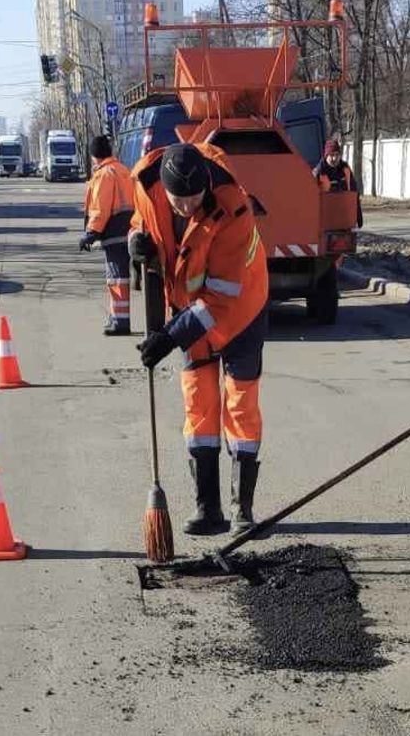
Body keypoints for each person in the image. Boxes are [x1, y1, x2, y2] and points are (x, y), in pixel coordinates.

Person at [128, 143, 269, 536]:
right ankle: (208, 508)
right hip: (190, 313)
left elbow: (221, 300)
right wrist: (136, 240)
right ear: (164, 190)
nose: (187, 207)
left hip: (241, 313)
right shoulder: (147, 187)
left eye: (194, 199)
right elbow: (141, 221)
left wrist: (170, 337)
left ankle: (242, 510)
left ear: (206, 185)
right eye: (179, 200)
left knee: (240, 406)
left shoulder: (234, 210)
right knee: (200, 406)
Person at [80, 135, 135, 336]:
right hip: (129, 228)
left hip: (114, 230)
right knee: (121, 276)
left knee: (116, 278)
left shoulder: (104, 174)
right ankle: (116, 317)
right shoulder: (123, 169)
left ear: (94, 156)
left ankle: (120, 322)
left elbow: (100, 209)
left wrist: (91, 233)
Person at [313, 139, 363, 227]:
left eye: (337, 155)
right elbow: (311, 199)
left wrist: (358, 214)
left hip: (344, 219)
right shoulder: (318, 172)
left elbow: (354, 192)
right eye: (332, 155)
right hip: (325, 221)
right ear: (326, 156)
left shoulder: (345, 169)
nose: (335, 158)